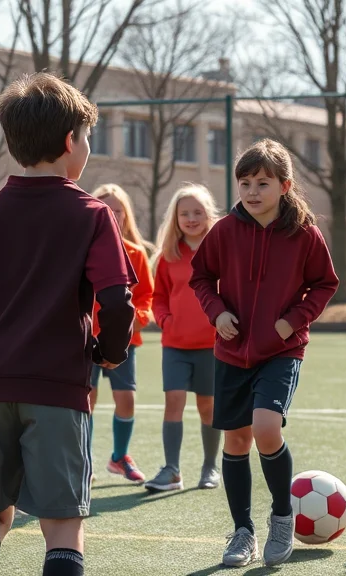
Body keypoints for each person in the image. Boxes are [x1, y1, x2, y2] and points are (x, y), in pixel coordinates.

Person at [0, 72, 136, 576]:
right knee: (62, 523)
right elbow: (116, 299)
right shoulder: (91, 214)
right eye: (85, 137)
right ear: (69, 142)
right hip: (57, 385)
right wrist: (110, 350)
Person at [190, 139, 340, 568]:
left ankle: (281, 516)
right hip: (231, 352)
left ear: (285, 186)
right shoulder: (223, 231)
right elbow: (201, 278)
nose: (252, 191)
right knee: (236, 440)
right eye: (245, 183)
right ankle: (243, 531)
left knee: (266, 428)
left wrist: (293, 320)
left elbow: (325, 284)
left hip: (281, 351)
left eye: (263, 182)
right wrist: (216, 313)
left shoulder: (304, 234)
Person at [145, 184, 223, 493]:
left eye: (197, 212)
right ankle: (172, 471)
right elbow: (158, 296)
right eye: (184, 213)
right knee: (173, 403)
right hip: (175, 346)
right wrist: (165, 320)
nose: (191, 218)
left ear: (208, 215)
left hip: (212, 346)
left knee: (208, 408)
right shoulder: (168, 256)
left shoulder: (220, 251)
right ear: (175, 218)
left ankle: (209, 467)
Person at [87, 184, 154, 485]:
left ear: (126, 216)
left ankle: (119, 457)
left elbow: (146, 298)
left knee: (125, 399)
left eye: (118, 211)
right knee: (84, 402)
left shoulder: (136, 254)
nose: (113, 216)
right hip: (85, 341)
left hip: (123, 342)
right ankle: (82, 462)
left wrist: (138, 318)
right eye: (106, 210)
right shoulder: (81, 250)